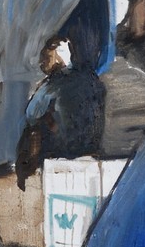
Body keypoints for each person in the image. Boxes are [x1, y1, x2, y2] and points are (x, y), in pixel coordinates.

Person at [16, 37, 105, 189]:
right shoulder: (92, 80)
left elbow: (32, 117)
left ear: (59, 57)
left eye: (45, 57)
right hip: (89, 149)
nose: (41, 62)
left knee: (31, 129)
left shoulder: (50, 87)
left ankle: (26, 171)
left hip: (59, 152)